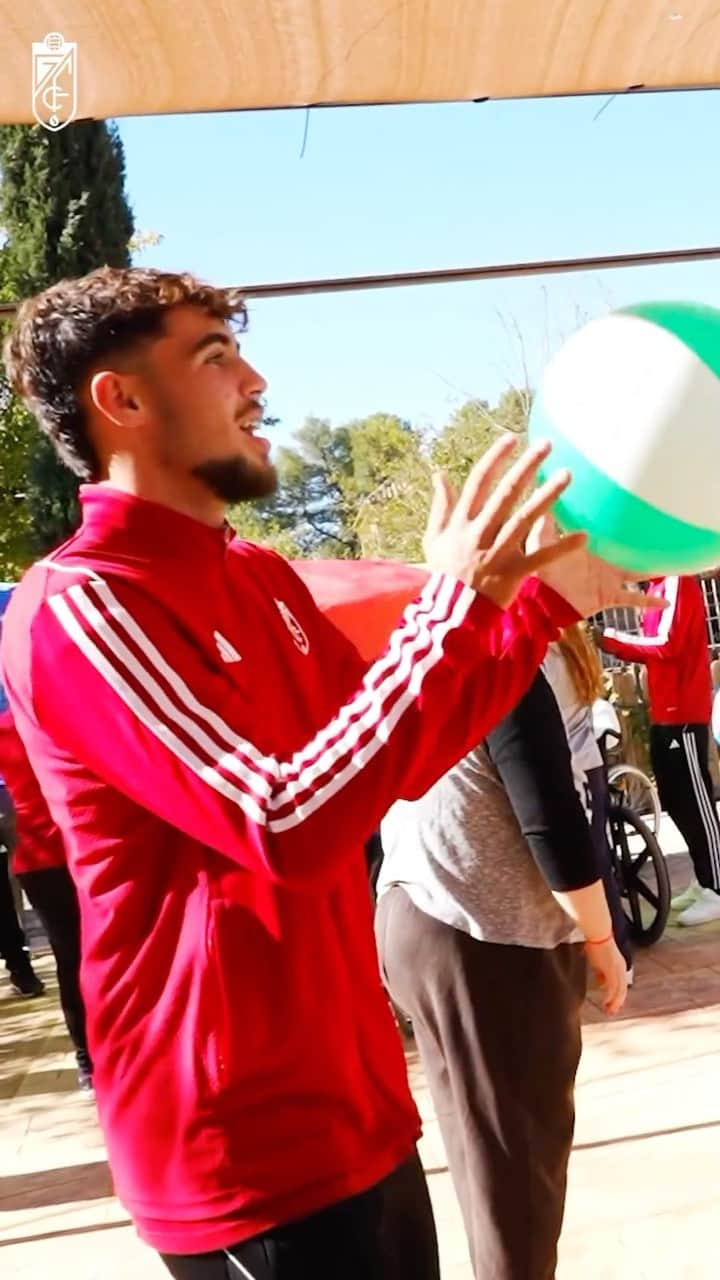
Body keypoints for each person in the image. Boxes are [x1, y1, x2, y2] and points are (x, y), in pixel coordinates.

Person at [0, 265, 656, 1280]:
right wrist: (453, 603)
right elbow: (285, 819)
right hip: (243, 1150)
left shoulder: (256, 574)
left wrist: (534, 608)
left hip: (357, 1108)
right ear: (120, 400)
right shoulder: (82, 604)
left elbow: (391, 756)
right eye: (215, 357)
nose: (256, 381)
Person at [375, 668, 627, 1280]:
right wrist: (601, 938)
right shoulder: (503, 661)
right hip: (484, 935)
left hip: (418, 911)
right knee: (518, 1189)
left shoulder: (428, 650)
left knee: (485, 1165)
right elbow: (550, 821)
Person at [598, 576, 720, 927]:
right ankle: (704, 878)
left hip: (684, 711)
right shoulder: (656, 587)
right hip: (665, 710)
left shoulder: (677, 581)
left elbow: (667, 643)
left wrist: (608, 638)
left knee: (695, 799)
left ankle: (718, 886)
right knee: (676, 797)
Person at [0, 706, 93, 1087]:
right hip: (82, 847)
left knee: (70, 957)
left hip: (41, 856)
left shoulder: (9, 726)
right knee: (93, 955)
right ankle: (97, 1056)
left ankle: (88, 1061)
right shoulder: (69, 710)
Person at [543, 623, 633, 977]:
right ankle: (619, 955)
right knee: (597, 862)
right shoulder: (573, 645)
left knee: (584, 867)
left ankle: (616, 957)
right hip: (588, 763)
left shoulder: (544, 654)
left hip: (567, 768)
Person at [0, 585, 44, 999]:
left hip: (18, 769)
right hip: (23, 768)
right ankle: (22, 967)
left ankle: (22, 966)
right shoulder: (20, 596)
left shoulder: (17, 596)